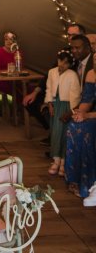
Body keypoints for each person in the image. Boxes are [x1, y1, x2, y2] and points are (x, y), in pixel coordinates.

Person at [65, 50, 96, 206]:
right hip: (93, 114)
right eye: (95, 59)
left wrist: (88, 116)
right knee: (74, 126)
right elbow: (87, 100)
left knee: (88, 131)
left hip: (94, 116)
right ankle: (76, 179)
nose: (95, 63)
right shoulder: (91, 73)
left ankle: (91, 183)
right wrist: (80, 113)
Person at [44, 50, 81, 177]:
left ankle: (65, 161)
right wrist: (49, 103)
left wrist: (71, 112)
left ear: (70, 65)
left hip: (67, 106)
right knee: (55, 132)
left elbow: (76, 95)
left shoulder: (72, 75)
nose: (62, 65)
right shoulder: (52, 72)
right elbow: (49, 88)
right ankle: (56, 160)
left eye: (66, 63)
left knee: (65, 133)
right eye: (60, 61)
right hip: (56, 104)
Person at [0, 31, 24, 95]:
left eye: (11, 39)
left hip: (16, 78)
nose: (8, 41)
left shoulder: (18, 52)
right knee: (16, 91)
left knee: (26, 87)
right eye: (6, 39)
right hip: (2, 79)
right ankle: (18, 104)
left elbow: (20, 68)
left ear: (14, 41)